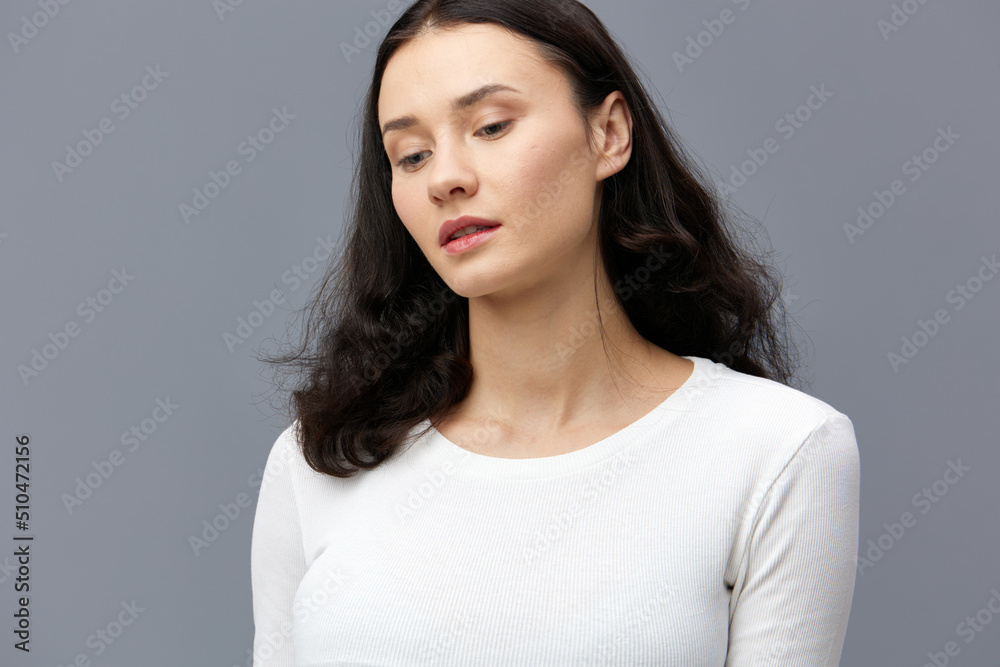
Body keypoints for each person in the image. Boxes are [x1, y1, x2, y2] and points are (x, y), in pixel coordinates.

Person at [251, 0, 861, 664]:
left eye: (490, 126)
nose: (446, 179)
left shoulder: (778, 450)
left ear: (610, 135)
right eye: (412, 154)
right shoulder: (321, 460)